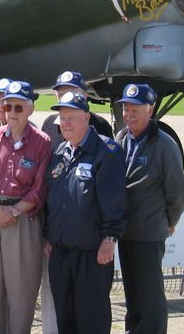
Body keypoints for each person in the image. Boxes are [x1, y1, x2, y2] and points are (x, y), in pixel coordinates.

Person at [45, 91, 127, 334]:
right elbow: (52, 198)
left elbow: (115, 201)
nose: (65, 123)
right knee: (65, 317)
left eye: (71, 117)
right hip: (61, 252)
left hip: (92, 255)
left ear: (86, 118)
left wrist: (109, 240)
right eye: (62, 117)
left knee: (92, 319)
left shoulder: (106, 151)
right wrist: (49, 235)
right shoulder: (60, 151)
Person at [0, 80, 50, 333]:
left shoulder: (42, 142)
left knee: (21, 289)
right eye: (8, 107)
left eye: (18, 107)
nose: (12, 113)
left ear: (30, 109)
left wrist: (14, 211)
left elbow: (39, 188)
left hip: (23, 219)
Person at [115, 84, 184, 334]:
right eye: (126, 108)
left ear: (151, 110)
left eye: (135, 108)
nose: (129, 113)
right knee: (133, 294)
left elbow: (178, 192)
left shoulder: (164, 145)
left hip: (149, 232)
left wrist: (170, 221)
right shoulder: (123, 138)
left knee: (150, 298)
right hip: (126, 232)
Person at [41, 70, 113, 149]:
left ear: (85, 95)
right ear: (56, 97)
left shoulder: (101, 125)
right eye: (62, 94)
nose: (67, 98)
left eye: (73, 93)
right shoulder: (49, 124)